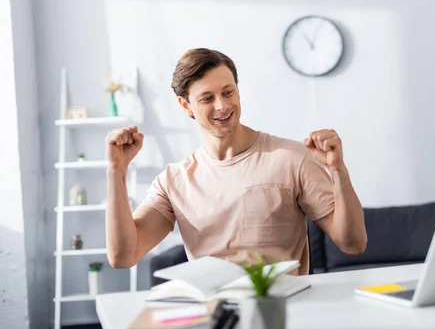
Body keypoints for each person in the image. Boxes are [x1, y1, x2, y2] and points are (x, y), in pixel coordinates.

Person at [105, 48, 367, 275]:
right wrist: (117, 172)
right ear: (186, 106)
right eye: (207, 98)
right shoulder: (173, 181)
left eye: (228, 92)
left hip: (281, 316)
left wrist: (338, 171)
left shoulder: (292, 158)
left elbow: (353, 243)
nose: (222, 106)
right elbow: (123, 256)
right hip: (215, 321)